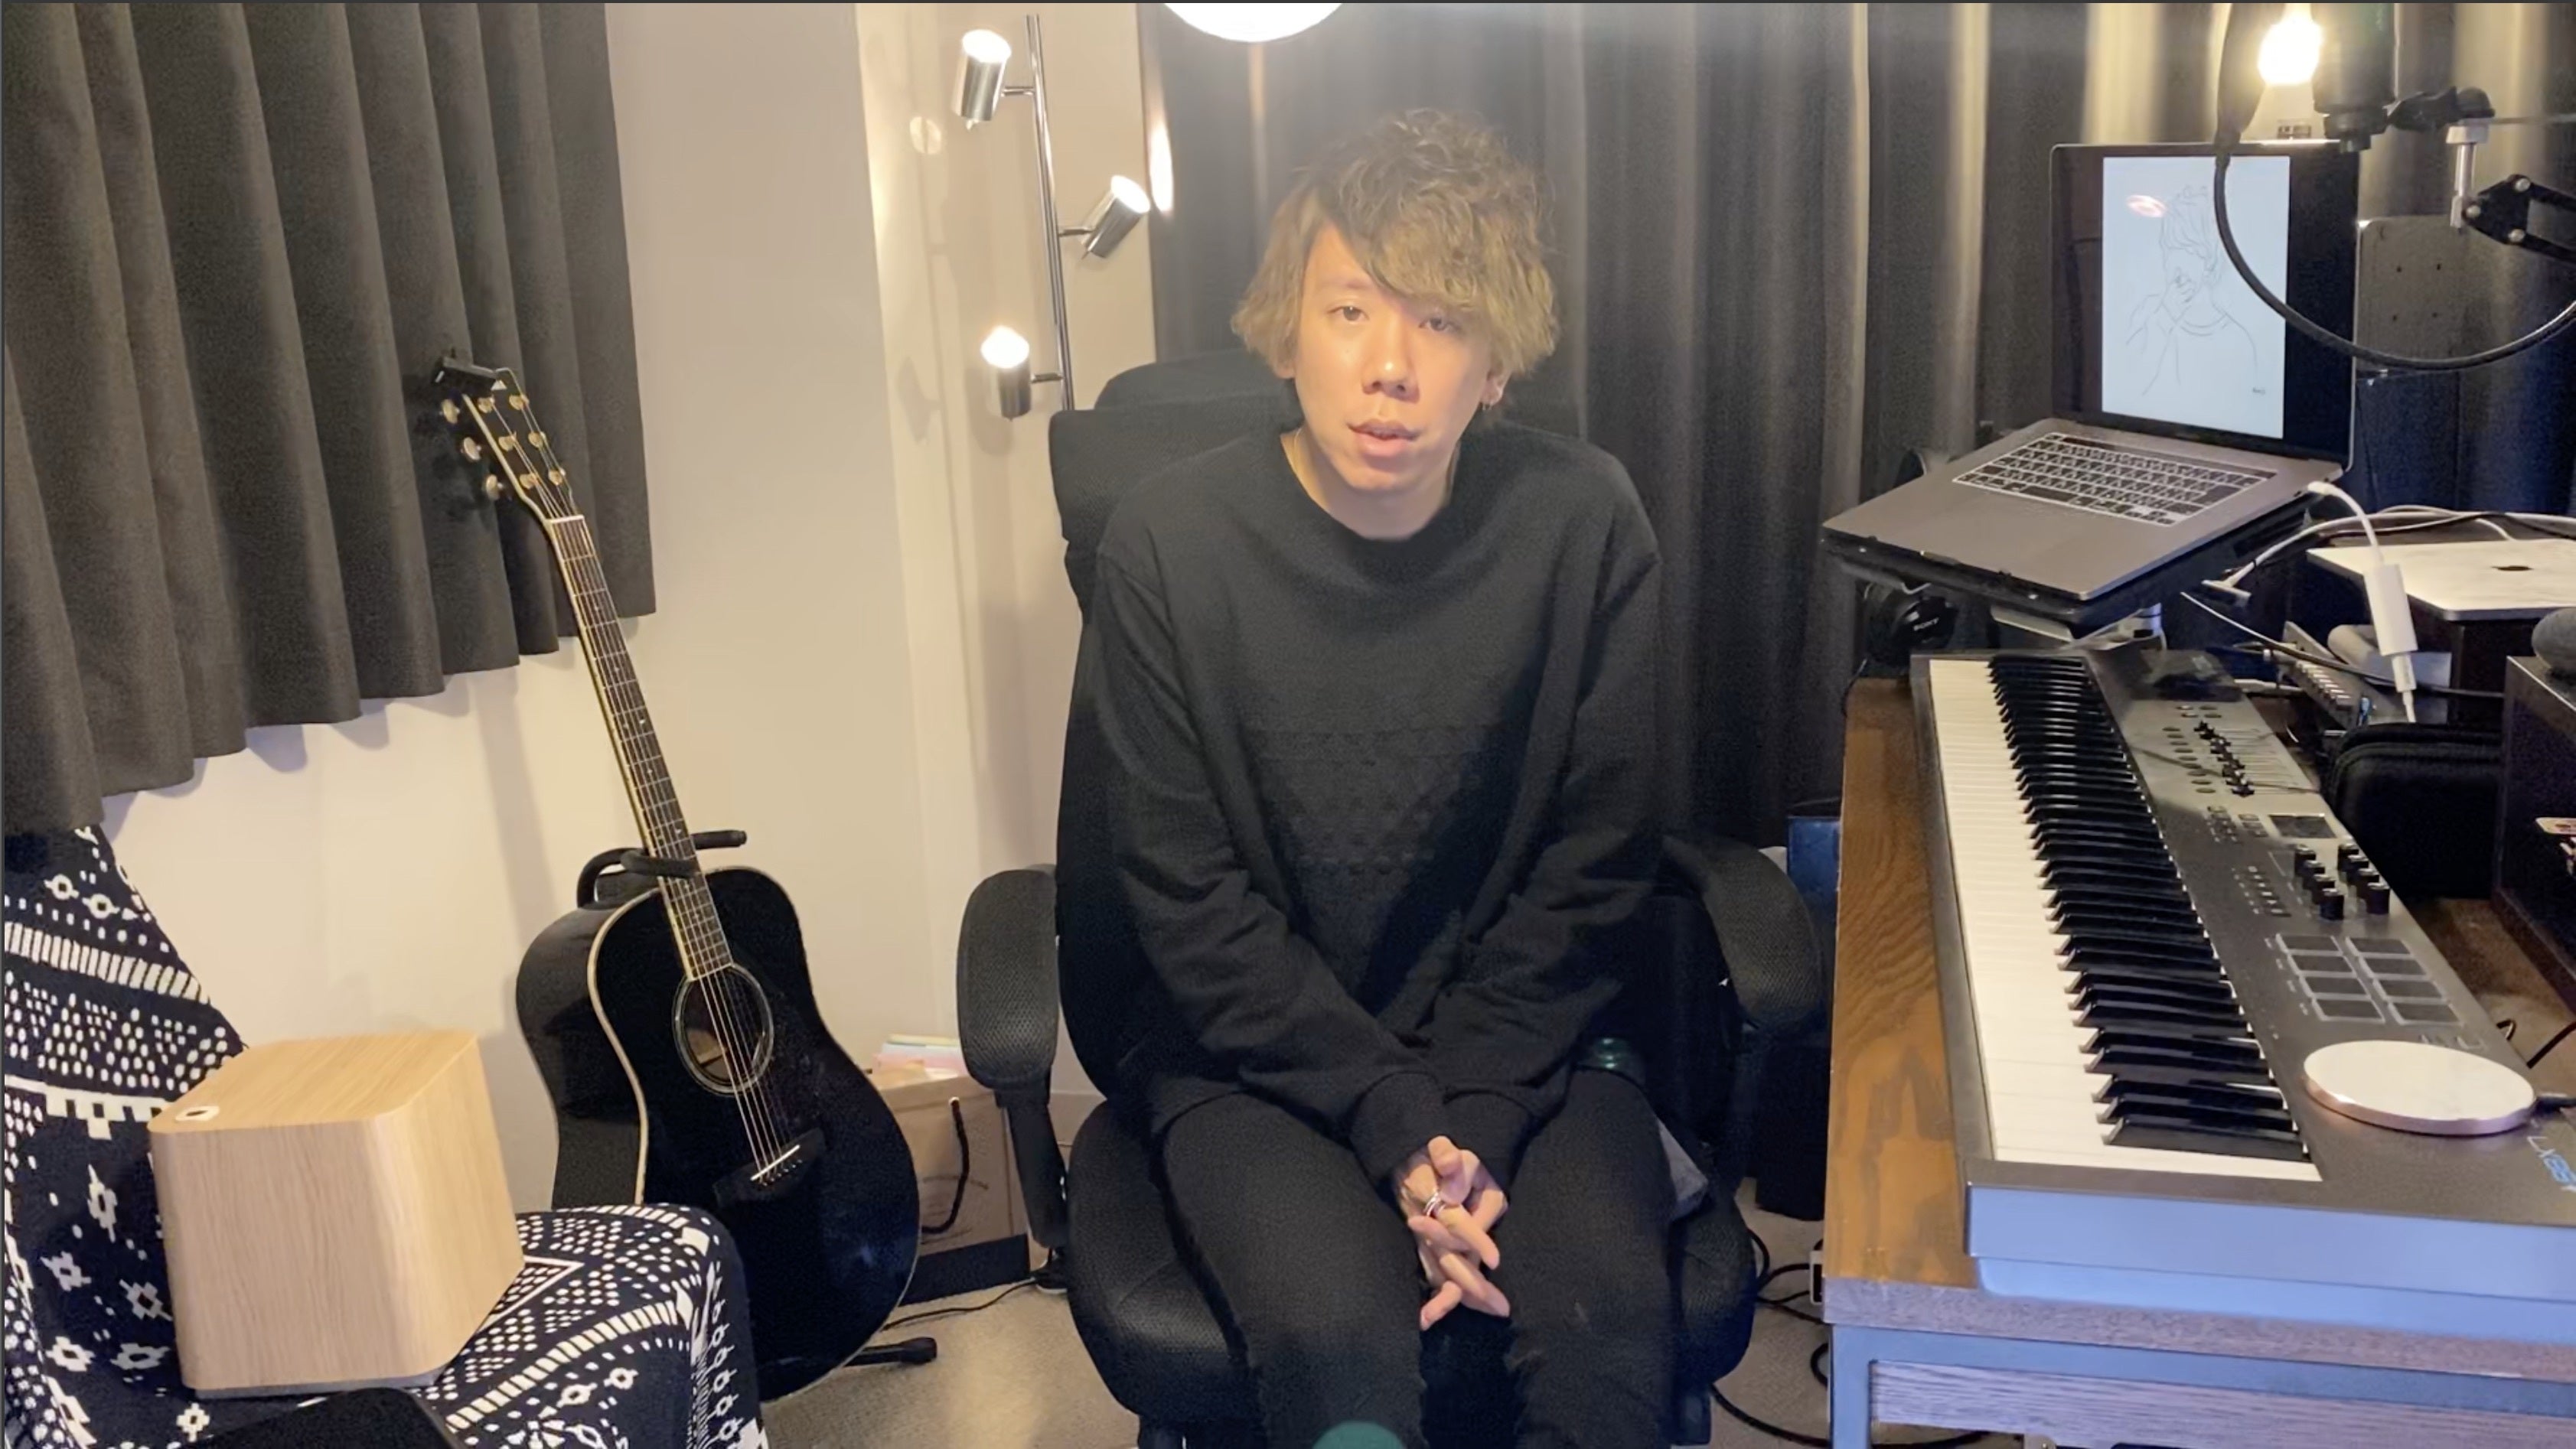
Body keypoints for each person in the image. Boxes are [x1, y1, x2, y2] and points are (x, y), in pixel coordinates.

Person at [1090, 110, 1674, 1448]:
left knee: (1602, 1329)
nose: (1390, 369)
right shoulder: (1167, 546)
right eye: (1349, 310)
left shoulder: (1586, 523)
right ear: (1285, 330)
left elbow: (1591, 872)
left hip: (1526, 1047)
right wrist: (1397, 1118)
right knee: (1334, 1340)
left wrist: (1464, 1125)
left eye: (1442, 321)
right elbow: (1188, 902)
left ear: (1496, 362)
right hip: (1255, 1057)